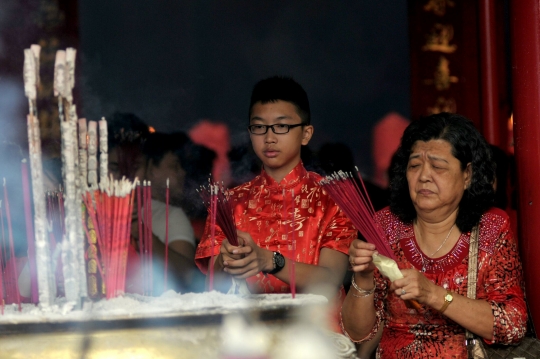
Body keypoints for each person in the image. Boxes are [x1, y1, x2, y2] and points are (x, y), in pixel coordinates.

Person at [341, 112, 527, 358]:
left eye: (438, 166)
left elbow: (512, 324)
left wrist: (433, 294)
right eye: (415, 165)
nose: (424, 176)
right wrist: (363, 279)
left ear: (467, 175)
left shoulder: (490, 227)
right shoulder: (386, 225)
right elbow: (357, 333)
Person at [195, 76, 356, 329]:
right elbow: (213, 290)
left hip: (317, 337)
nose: (269, 137)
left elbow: (330, 279)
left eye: (281, 127)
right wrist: (226, 261)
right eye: (259, 127)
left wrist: (271, 261)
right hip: (250, 338)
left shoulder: (333, 197)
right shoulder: (230, 202)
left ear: (306, 133)